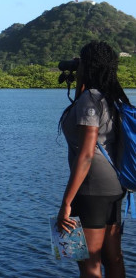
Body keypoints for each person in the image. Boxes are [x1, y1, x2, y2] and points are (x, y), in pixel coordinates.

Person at [57, 41, 132, 277]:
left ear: (88, 65)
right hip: (115, 186)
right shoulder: (110, 97)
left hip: (91, 189)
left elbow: (87, 153)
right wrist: (82, 77)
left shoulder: (90, 99)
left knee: (88, 264)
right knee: (114, 259)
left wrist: (66, 203)